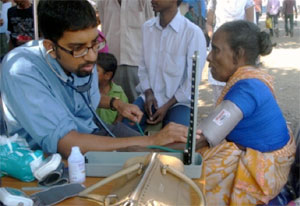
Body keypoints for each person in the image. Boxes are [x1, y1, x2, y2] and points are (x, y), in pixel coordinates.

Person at [0, 0, 193, 158]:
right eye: (79, 48)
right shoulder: (22, 70)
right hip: (49, 157)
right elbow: (67, 144)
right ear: (51, 47)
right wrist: (151, 140)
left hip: (90, 133)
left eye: (95, 44)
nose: (92, 57)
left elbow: (77, 96)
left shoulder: (82, 57)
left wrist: (115, 103)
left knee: (173, 151)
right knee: (150, 154)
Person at [197, 20, 296, 205]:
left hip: (264, 181)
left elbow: (200, 138)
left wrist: (147, 145)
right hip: (272, 170)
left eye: (216, 50)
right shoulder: (251, 81)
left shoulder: (247, 90)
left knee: (188, 179)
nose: (209, 57)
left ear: (238, 55)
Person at [124, 0, 207, 132]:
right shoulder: (147, 28)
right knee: (124, 130)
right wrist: (149, 93)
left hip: (178, 102)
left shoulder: (192, 33)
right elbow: (143, 67)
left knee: (176, 143)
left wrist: (167, 105)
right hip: (150, 97)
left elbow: (192, 80)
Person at [97, 0, 154, 103]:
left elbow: (151, 28)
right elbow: (104, 26)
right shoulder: (103, 1)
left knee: (137, 104)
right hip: (112, 62)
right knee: (113, 104)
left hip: (137, 62)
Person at [206, 0, 255, 104]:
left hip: (237, 51)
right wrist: (215, 40)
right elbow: (208, 24)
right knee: (219, 92)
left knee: (238, 89)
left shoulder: (247, 1)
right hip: (218, 50)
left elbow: (251, 29)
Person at [96, 52, 128, 124]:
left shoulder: (119, 93)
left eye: (96, 70)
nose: (91, 73)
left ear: (107, 75)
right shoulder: (88, 90)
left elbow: (120, 118)